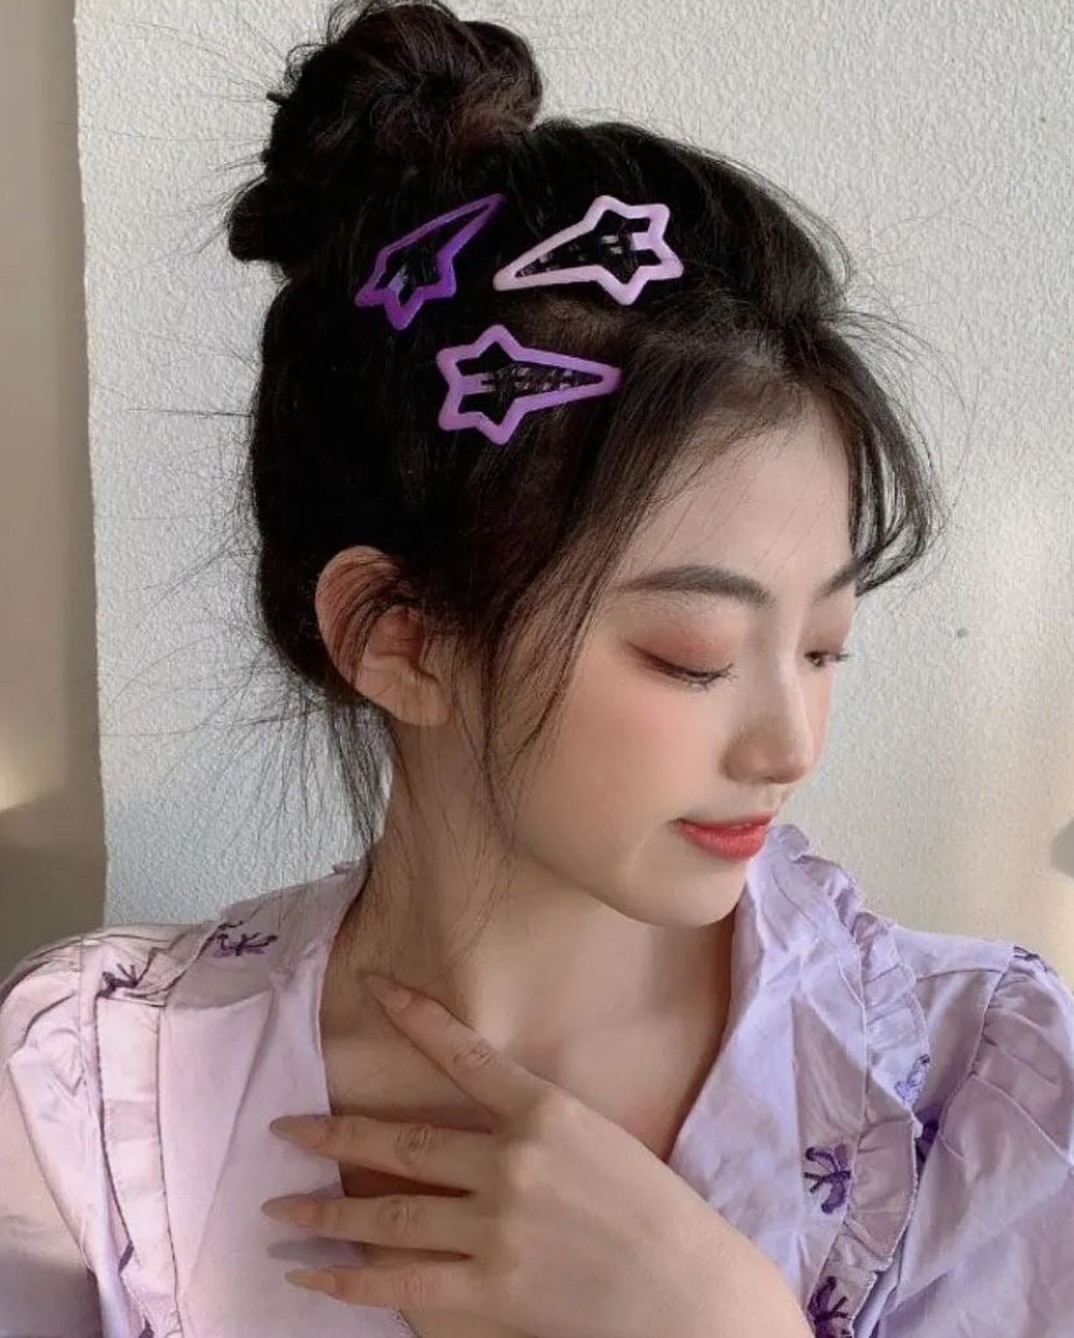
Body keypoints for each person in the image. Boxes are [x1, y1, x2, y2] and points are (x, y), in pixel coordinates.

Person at [3, 1, 1073, 1334]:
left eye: (822, 646)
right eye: (693, 657)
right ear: (396, 634)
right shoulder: (100, 1108)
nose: (790, 743)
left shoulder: (987, 1090)